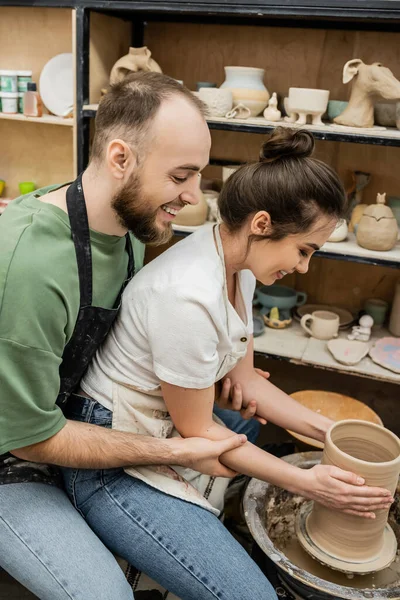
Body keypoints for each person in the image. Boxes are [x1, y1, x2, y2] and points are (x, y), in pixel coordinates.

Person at [63, 126, 394, 599]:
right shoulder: (187, 297)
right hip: (111, 452)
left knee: (248, 425)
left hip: (166, 425)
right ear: (262, 224)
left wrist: (332, 435)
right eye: (304, 250)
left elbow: (246, 383)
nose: (304, 268)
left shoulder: (238, 266)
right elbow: (203, 435)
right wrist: (310, 484)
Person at [0, 72, 261, 600]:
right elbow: (30, 437)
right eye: (181, 176)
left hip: (68, 415)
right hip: (14, 453)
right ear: (121, 158)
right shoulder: (30, 266)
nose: (193, 197)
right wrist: (177, 451)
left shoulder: (126, 227)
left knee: (241, 431)